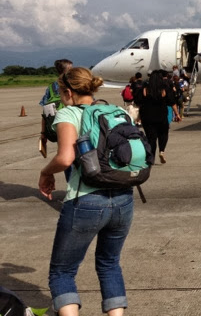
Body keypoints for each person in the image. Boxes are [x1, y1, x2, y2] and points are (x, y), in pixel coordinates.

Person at [38, 67, 134, 316]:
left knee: (62, 272)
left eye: (61, 93)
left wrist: (45, 172)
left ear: (68, 92)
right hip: (123, 199)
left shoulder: (69, 113)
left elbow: (65, 158)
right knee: (109, 264)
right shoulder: (116, 111)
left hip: (86, 200)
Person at [136, 70, 181, 164]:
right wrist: (177, 114)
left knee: (151, 138)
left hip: (147, 116)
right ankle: (162, 151)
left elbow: (139, 102)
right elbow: (172, 102)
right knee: (163, 134)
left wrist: (139, 116)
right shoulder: (164, 89)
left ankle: (151, 157)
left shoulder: (145, 89)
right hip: (161, 116)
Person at [39, 59, 73, 177]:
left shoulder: (51, 87)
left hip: (58, 126)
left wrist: (43, 133)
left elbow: (45, 111)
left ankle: (70, 184)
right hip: (75, 125)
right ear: (67, 69)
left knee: (65, 154)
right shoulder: (75, 84)